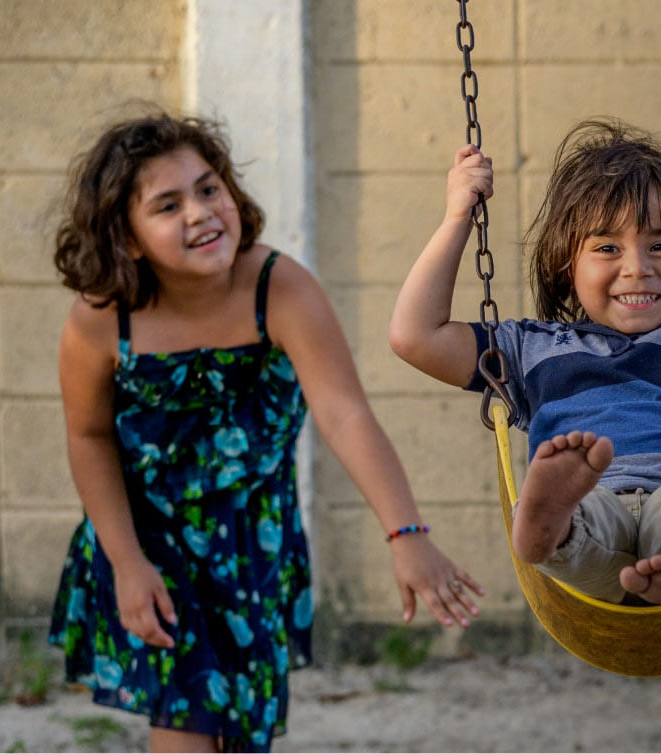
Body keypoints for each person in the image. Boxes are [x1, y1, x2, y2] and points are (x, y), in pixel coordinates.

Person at [47, 113, 485, 752]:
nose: (200, 212)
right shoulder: (101, 319)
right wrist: (126, 562)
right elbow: (88, 437)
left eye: (208, 188)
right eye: (168, 205)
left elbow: (345, 413)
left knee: (243, 734)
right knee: (187, 721)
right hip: (149, 544)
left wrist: (406, 532)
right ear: (128, 237)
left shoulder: (278, 288)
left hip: (253, 546)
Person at [389, 112, 661, 641]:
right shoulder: (533, 350)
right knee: (584, 522)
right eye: (607, 248)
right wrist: (456, 219)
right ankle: (547, 523)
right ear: (566, 265)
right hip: (592, 505)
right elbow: (413, 335)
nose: (637, 267)